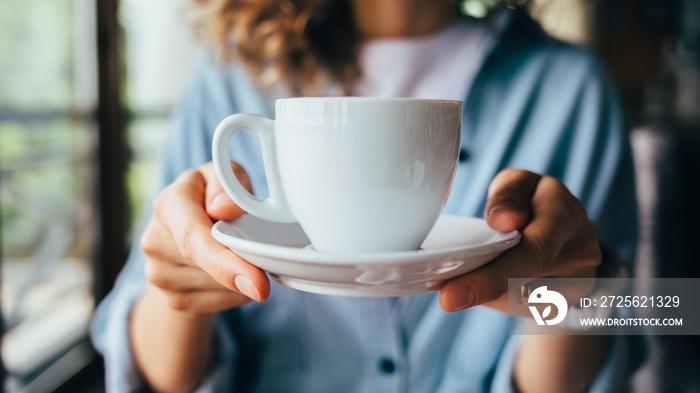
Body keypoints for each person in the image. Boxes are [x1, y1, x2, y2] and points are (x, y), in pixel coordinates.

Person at [91, 0, 639, 392]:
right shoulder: (230, 78)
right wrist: (179, 279)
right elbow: (160, 376)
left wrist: (577, 302)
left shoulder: (572, 89)